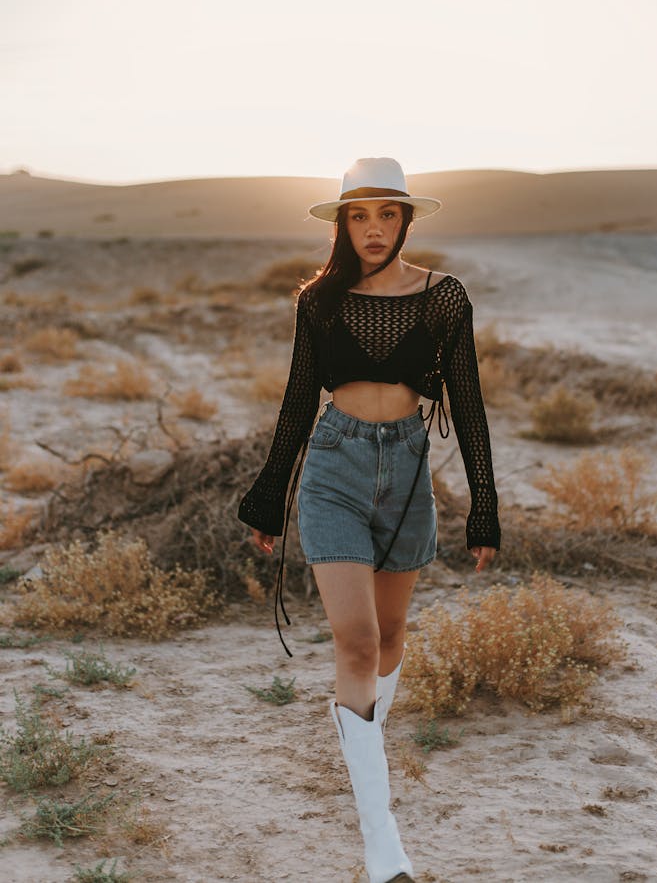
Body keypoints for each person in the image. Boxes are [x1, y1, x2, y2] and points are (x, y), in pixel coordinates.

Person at [238, 157, 501, 883]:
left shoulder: (442, 297)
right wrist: (269, 493)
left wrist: (486, 503)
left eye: (387, 214)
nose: (374, 228)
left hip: (408, 472)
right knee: (355, 644)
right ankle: (382, 843)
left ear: (406, 218)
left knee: (389, 637)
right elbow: (296, 399)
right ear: (342, 223)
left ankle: (364, 745)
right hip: (335, 467)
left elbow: (469, 403)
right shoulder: (320, 301)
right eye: (360, 215)